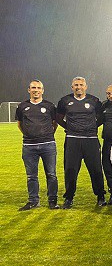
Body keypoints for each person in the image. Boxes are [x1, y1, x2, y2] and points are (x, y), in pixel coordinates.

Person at [56, 76, 106, 208]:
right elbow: (58, 118)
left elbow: (101, 118)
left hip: (91, 140)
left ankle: (100, 196)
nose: (79, 87)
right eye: (76, 85)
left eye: (81, 85)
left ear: (86, 87)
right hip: (72, 139)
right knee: (70, 170)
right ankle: (69, 198)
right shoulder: (64, 101)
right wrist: (69, 127)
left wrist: (91, 127)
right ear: (72, 87)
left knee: (96, 169)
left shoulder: (94, 101)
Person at [16, 80, 59, 210]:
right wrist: (29, 134)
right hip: (29, 146)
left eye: (39, 88)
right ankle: (33, 201)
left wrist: (47, 134)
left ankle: (52, 201)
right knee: (31, 176)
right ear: (29, 90)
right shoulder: (22, 106)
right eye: (33, 88)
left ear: (42, 90)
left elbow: (55, 123)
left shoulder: (50, 106)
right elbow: (20, 124)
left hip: (48, 145)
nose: (36, 90)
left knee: (51, 174)